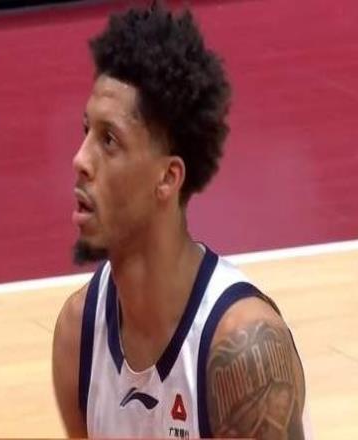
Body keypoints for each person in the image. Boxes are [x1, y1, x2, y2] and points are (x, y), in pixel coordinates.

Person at [53, 2, 309, 438]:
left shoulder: (245, 350)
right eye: (85, 132)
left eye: (109, 140)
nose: (80, 160)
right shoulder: (78, 334)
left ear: (168, 178)